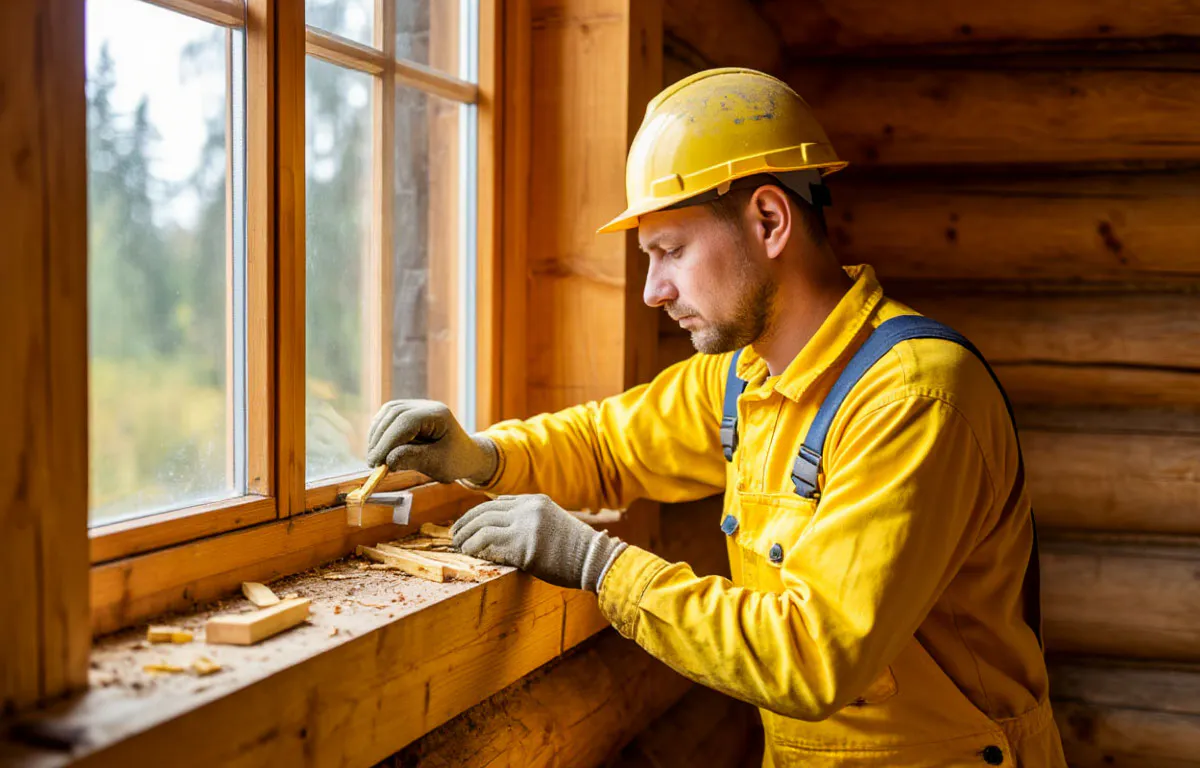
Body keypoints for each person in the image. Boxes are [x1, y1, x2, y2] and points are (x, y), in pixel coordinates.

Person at [365, 68, 1066, 766]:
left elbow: (812, 657)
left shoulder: (913, 400)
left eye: (670, 251)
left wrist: (598, 564)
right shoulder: (745, 376)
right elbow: (611, 444)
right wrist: (481, 455)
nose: (651, 290)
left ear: (769, 220)